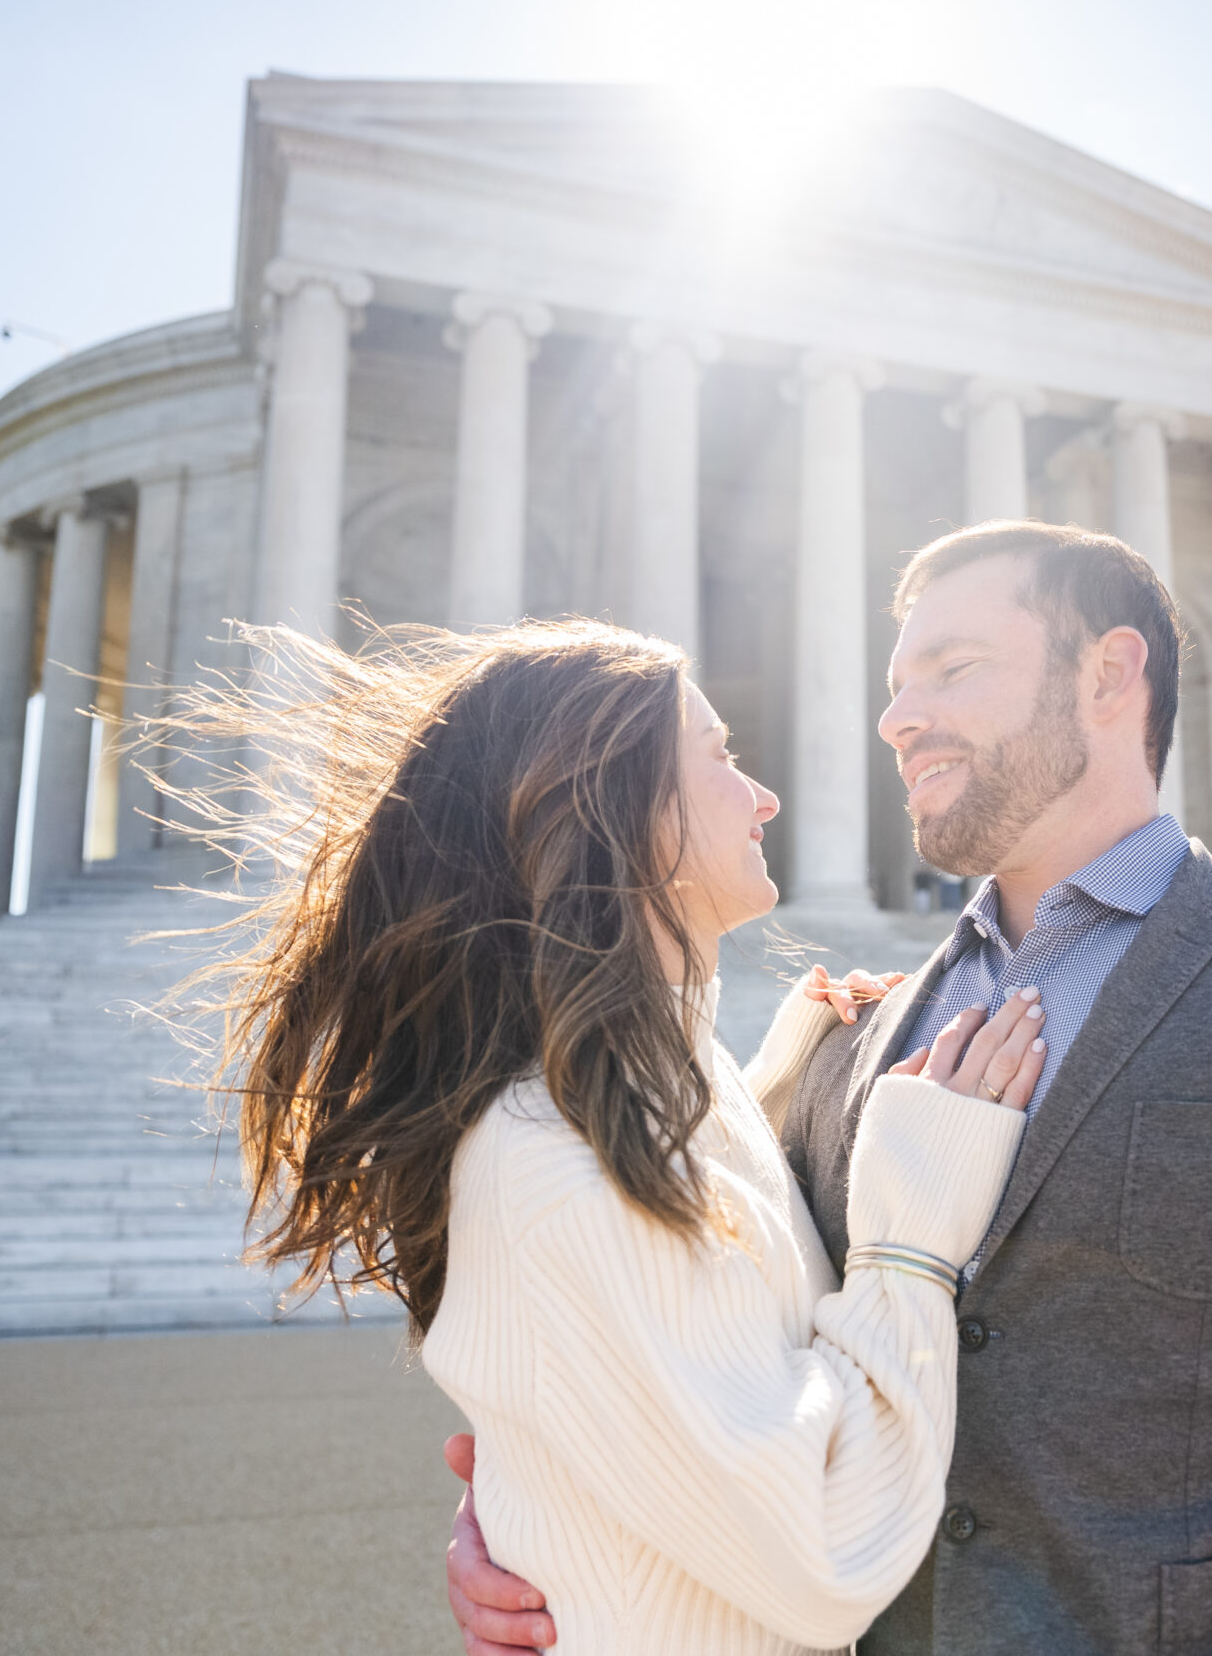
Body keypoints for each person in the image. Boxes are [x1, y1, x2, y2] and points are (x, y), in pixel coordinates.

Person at [448, 523, 1212, 1655]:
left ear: (1108, 674)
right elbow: (705, 1359)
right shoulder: (853, 1039)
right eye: (895, 686)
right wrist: (536, 1506)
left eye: (952, 669)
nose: (895, 718)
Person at [194, 620, 1062, 1655]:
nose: (764, 796)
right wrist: (911, 1228)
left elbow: (698, 1315)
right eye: (720, 756)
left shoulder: (654, 1093)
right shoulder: (559, 1163)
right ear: (610, 807)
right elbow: (825, 1554)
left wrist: (795, 1075)